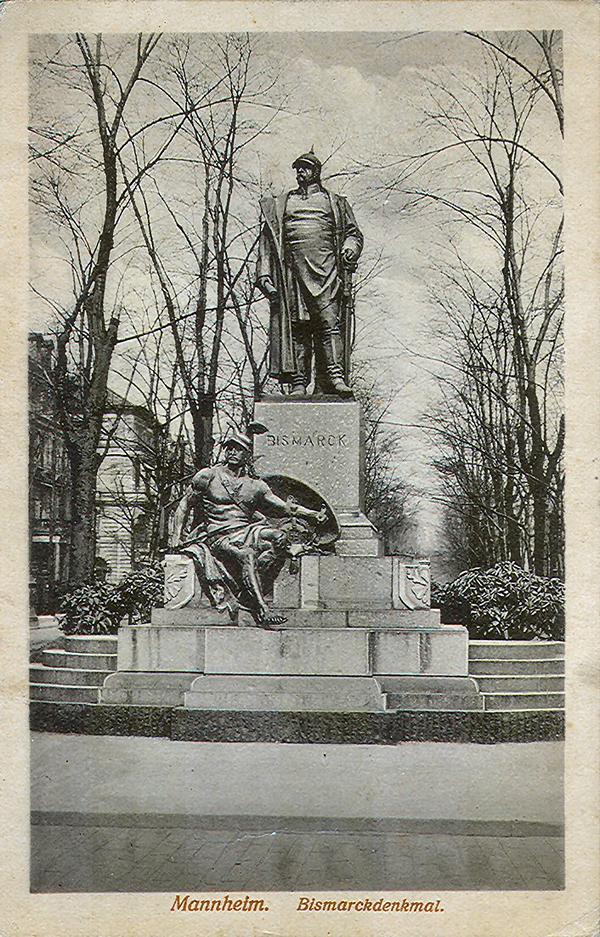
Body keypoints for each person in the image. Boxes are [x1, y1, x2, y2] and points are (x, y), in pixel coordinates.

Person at [170, 429, 326, 628]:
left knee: (280, 537)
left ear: (247, 455)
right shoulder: (208, 476)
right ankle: (262, 609)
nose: (232, 452)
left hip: (246, 530)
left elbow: (285, 507)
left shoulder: (256, 485)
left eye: (238, 449)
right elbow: (185, 504)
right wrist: (176, 537)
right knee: (247, 556)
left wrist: (312, 514)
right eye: (229, 448)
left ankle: (248, 591)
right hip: (219, 534)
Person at [256, 150, 364, 397]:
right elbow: (267, 239)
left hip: (326, 273)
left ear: (316, 171)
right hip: (291, 275)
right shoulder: (282, 203)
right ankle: (298, 383)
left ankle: (335, 377)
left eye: (304, 168)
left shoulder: (334, 202)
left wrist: (349, 248)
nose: (299, 173)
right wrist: (264, 276)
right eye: (297, 168)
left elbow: (353, 233)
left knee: (329, 325)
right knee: (297, 328)